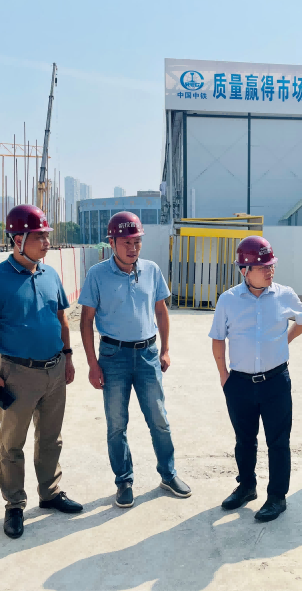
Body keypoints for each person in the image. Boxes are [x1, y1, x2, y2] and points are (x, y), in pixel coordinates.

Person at [0, 204, 82, 540]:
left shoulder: (50, 275)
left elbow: (61, 318)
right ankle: (14, 505)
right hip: (17, 374)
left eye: (47, 236)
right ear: (17, 239)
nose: (47, 242)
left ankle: (50, 493)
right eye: (39, 237)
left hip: (54, 369)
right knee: (12, 444)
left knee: (50, 437)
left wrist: (67, 357)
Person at [79, 211, 190, 509]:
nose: (133, 248)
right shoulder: (97, 275)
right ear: (112, 243)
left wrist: (165, 349)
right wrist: (92, 363)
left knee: (159, 419)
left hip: (147, 355)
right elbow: (86, 320)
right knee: (117, 424)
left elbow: (161, 311)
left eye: (137, 242)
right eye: (126, 242)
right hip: (113, 356)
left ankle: (168, 474)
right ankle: (124, 481)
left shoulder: (152, 270)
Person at [209, 236, 302, 522]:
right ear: (245, 270)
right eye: (263, 267)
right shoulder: (228, 300)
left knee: (278, 441)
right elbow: (218, 339)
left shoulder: (284, 295)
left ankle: (277, 496)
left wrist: (285, 341)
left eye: (271, 265)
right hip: (239, 383)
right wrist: (224, 376)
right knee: (244, 440)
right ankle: (246, 486)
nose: (270, 271)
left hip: (276, 382)